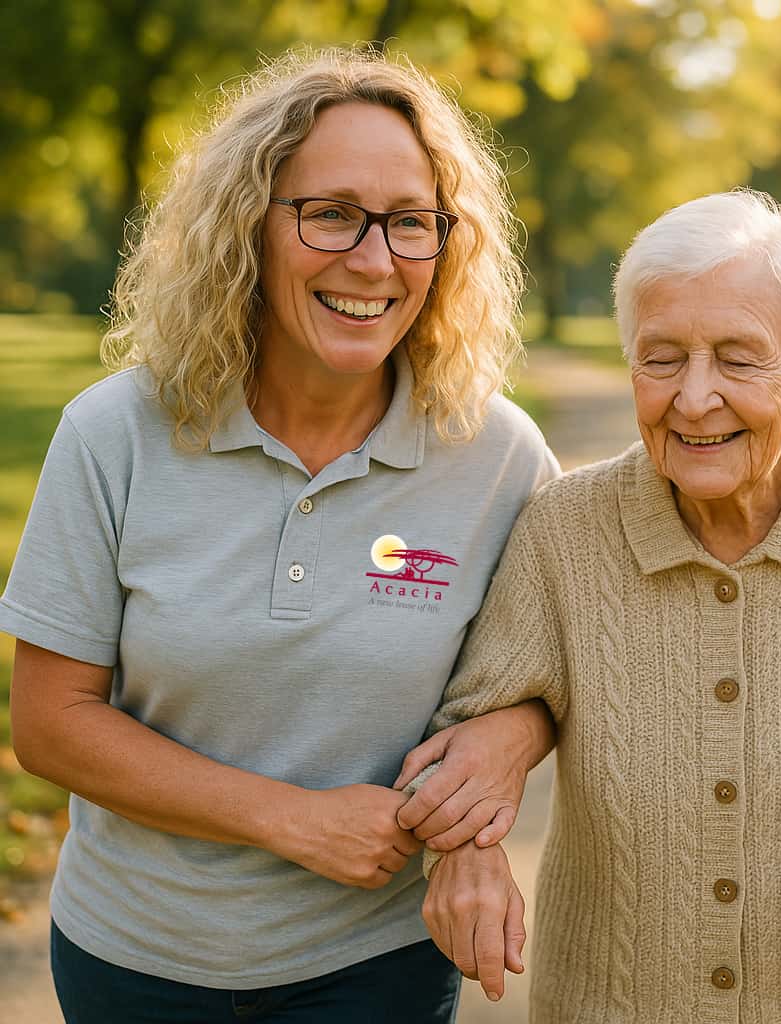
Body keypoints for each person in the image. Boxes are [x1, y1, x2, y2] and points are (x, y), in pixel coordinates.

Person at [0, 48, 559, 1023]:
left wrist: (501, 760)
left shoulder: (496, 455)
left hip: (375, 967)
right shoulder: (115, 433)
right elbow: (51, 724)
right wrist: (293, 820)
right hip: (135, 961)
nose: (374, 259)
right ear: (246, 227)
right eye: (331, 212)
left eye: (410, 222)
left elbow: (558, 665)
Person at [397, 190, 781, 1021]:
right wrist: (463, 850)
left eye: (737, 358)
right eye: (662, 358)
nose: (693, 398)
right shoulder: (565, 530)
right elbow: (472, 724)